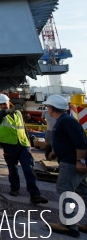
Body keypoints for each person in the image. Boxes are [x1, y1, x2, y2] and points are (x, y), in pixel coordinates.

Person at [0, 93, 48, 204]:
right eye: (1, 104)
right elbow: (0, 115)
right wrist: (6, 111)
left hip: (23, 145)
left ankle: (35, 194)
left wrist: (29, 144)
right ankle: (14, 188)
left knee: (29, 169)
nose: (3, 106)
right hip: (9, 145)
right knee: (12, 169)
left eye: (5, 103)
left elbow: (23, 128)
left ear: (8, 102)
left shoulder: (18, 113)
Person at [47, 94, 87, 238]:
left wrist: (80, 161)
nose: (47, 110)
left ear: (52, 109)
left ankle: (69, 225)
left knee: (65, 190)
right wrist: (54, 151)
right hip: (71, 160)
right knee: (84, 192)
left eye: (48, 107)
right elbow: (67, 140)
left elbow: (80, 142)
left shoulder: (67, 121)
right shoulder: (64, 120)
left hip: (71, 163)